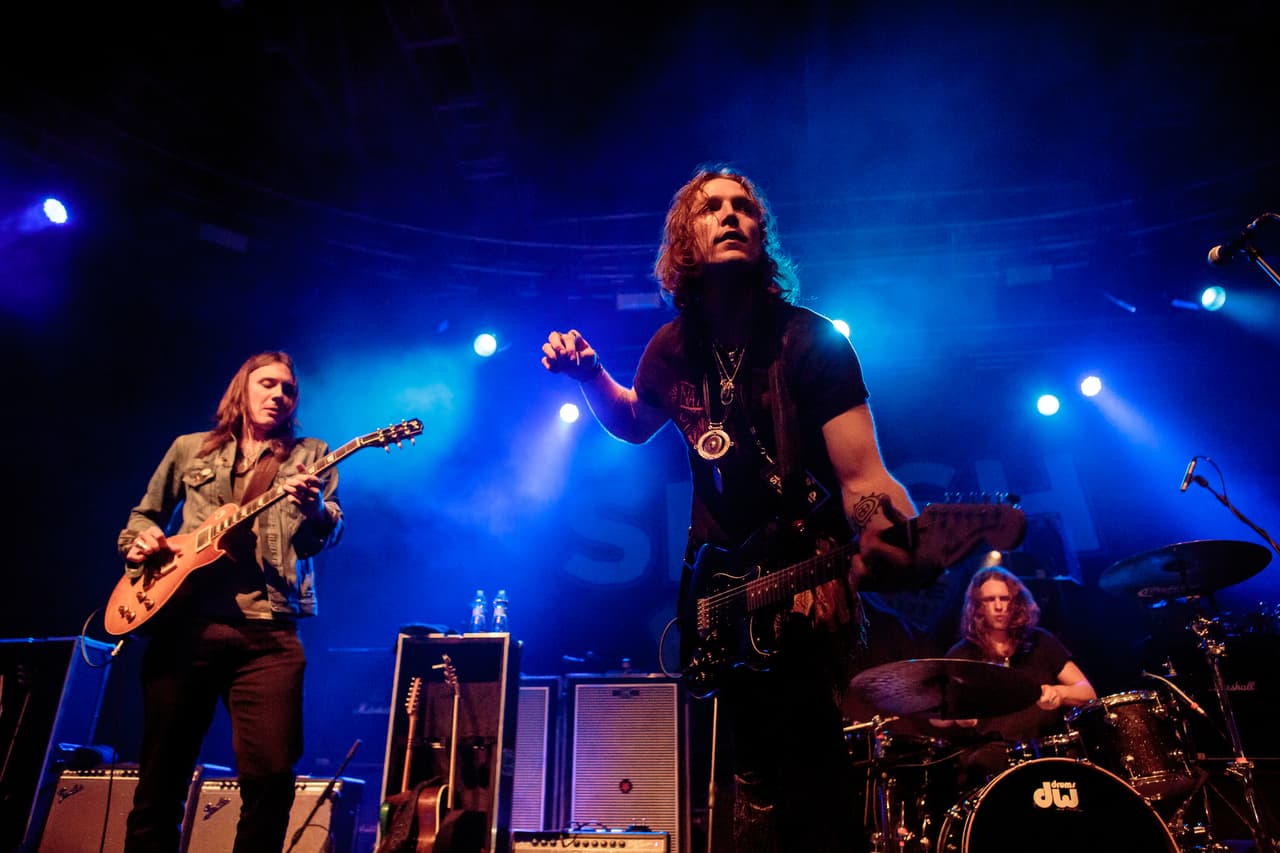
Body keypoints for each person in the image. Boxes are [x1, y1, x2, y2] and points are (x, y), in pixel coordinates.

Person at [542, 166, 928, 852]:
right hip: (718, 587)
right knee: (744, 790)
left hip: (804, 581)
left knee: (810, 775)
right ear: (684, 238)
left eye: (744, 208)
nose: (729, 216)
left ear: (762, 235)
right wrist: (587, 374)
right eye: (711, 207)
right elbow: (634, 421)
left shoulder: (812, 342)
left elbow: (865, 476)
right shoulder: (672, 348)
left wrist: (892, 528)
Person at [116, 351, 344, 852]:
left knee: (272, 779)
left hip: (268, 633)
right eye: (267, 384)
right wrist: (142, 542)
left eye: (288, 389)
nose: (278, 395)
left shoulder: (311, 456)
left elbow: (315, 540)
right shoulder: (189, 448)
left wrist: (315, 511)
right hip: (186, 627)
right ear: (242, 389)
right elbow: (142, 518)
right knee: (160, 779)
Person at [935, 565, 1096, 791]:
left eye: (1005, 598)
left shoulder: (1041, 642)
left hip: (1047, 751)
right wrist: (956, 714)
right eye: (990, 600)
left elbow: (1087, 692)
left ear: (1016, 601)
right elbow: (935, 713)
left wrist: (1059, 693)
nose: (999, 606)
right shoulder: (962, 655)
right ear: (977, 606)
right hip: (989, 760)